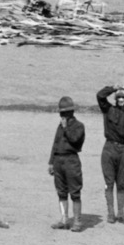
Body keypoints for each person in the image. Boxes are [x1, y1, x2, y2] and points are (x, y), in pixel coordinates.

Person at [94, 83, 124, 225]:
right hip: (109, 149)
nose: (121, 99)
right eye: (119, 97)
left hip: (123, 152)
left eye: (123, 97)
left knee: (121, 183)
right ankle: (111, 213)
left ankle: (121, 213)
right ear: (116, 98)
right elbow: (100, 95)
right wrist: (113, 88)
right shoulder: (108, 109)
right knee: (109, 183)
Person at [49, 96, 87, 232]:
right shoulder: (60, 126)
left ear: (71, 112)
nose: (63, 115)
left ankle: (77, 221)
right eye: (62, 112)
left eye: (65, 112)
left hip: (71, 160)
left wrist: (65, 128)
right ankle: (64, 220)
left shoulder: (79, 126)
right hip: (59, 160)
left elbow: (75, 140)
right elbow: (55, 144)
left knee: (75, 192)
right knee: (61, 192)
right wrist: (51, 162)